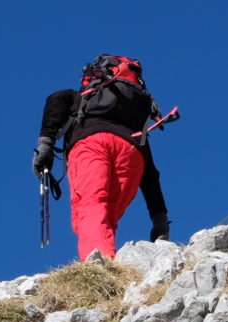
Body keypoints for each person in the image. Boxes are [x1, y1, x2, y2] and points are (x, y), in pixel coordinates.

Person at [35, 55, 170, 261]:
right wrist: (159, 218)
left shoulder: (82, 97)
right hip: (132, 154)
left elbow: (56, 99)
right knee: (106, 216)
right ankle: (107, 260)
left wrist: (46, 143)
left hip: (91, 144)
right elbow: (150, 173)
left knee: (91, 206)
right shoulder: (133, 118)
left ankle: (97, 268)